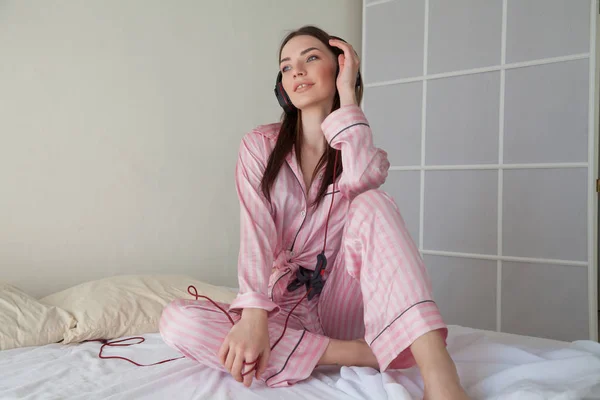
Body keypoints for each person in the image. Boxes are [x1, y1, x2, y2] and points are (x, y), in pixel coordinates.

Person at [159, 25, 469, 399]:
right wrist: (255, 317)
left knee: (373, 203)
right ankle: (363, 352)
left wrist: (347, 96)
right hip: (284, 304)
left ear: (339, 69)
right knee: (178, 321)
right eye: (286, 67)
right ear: (281, 86)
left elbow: (361, 180)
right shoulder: (259, 146)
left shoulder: (365, 155)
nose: (297, 72)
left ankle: (439, 371)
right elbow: (255, 233)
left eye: (310, 58)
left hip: (343, 303)